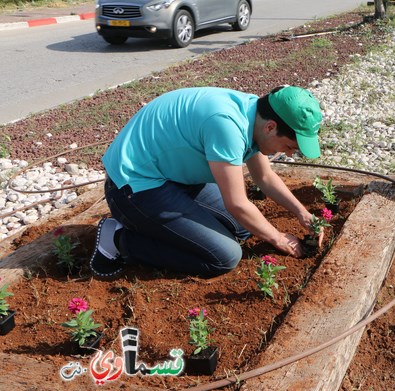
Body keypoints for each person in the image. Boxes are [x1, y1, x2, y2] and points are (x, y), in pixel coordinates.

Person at [90, 85, 324, 279]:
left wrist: (302, 213)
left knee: (243, 227)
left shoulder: (256, 115)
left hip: (171, 174)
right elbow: (238, 204)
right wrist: (279, 238)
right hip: (133, 185)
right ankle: (120, 240)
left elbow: (264, 177)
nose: (290, 155)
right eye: (290, 147)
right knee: (224, 257)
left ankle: (171, 227)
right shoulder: (227, 125)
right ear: (271, 127)